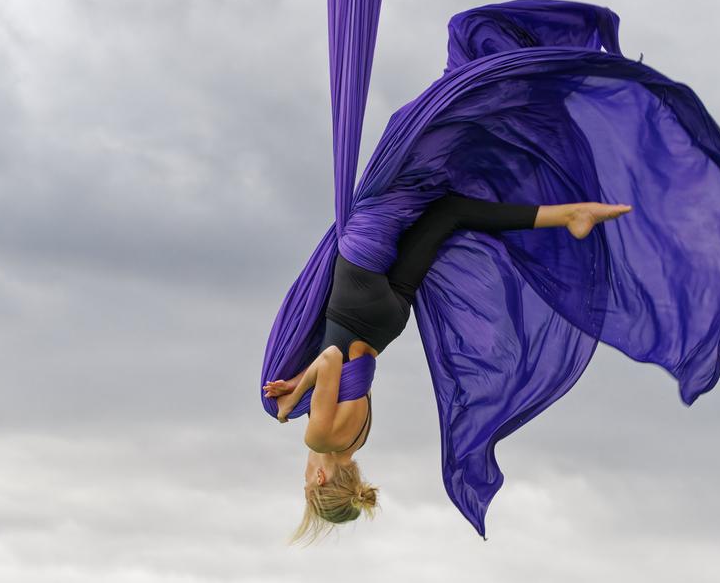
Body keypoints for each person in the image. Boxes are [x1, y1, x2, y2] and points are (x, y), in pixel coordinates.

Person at [263, 194, 633, 544]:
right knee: (374, 200)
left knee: (448, 212)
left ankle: (570, 215)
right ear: (321, 478)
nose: (306, 473)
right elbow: (329, 360)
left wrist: (299, 380)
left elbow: (350, 370)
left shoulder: (357, 438)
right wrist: (293, 397)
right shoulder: (320, 438)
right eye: (307, 482)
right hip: (356, 303)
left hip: (386, 323)